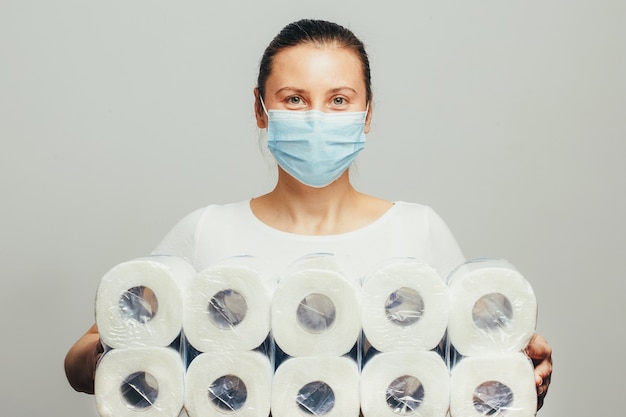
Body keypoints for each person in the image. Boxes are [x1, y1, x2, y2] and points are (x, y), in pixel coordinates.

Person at [65, 18, 552, 410]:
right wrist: (121, 354)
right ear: (261, 111)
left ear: (367, 113)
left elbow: (472, 371)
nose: (317, 117)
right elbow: (86, 361)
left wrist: (517, 376)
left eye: (339, 100)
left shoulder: (417, 230)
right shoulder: (206, 231)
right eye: (294, 100)